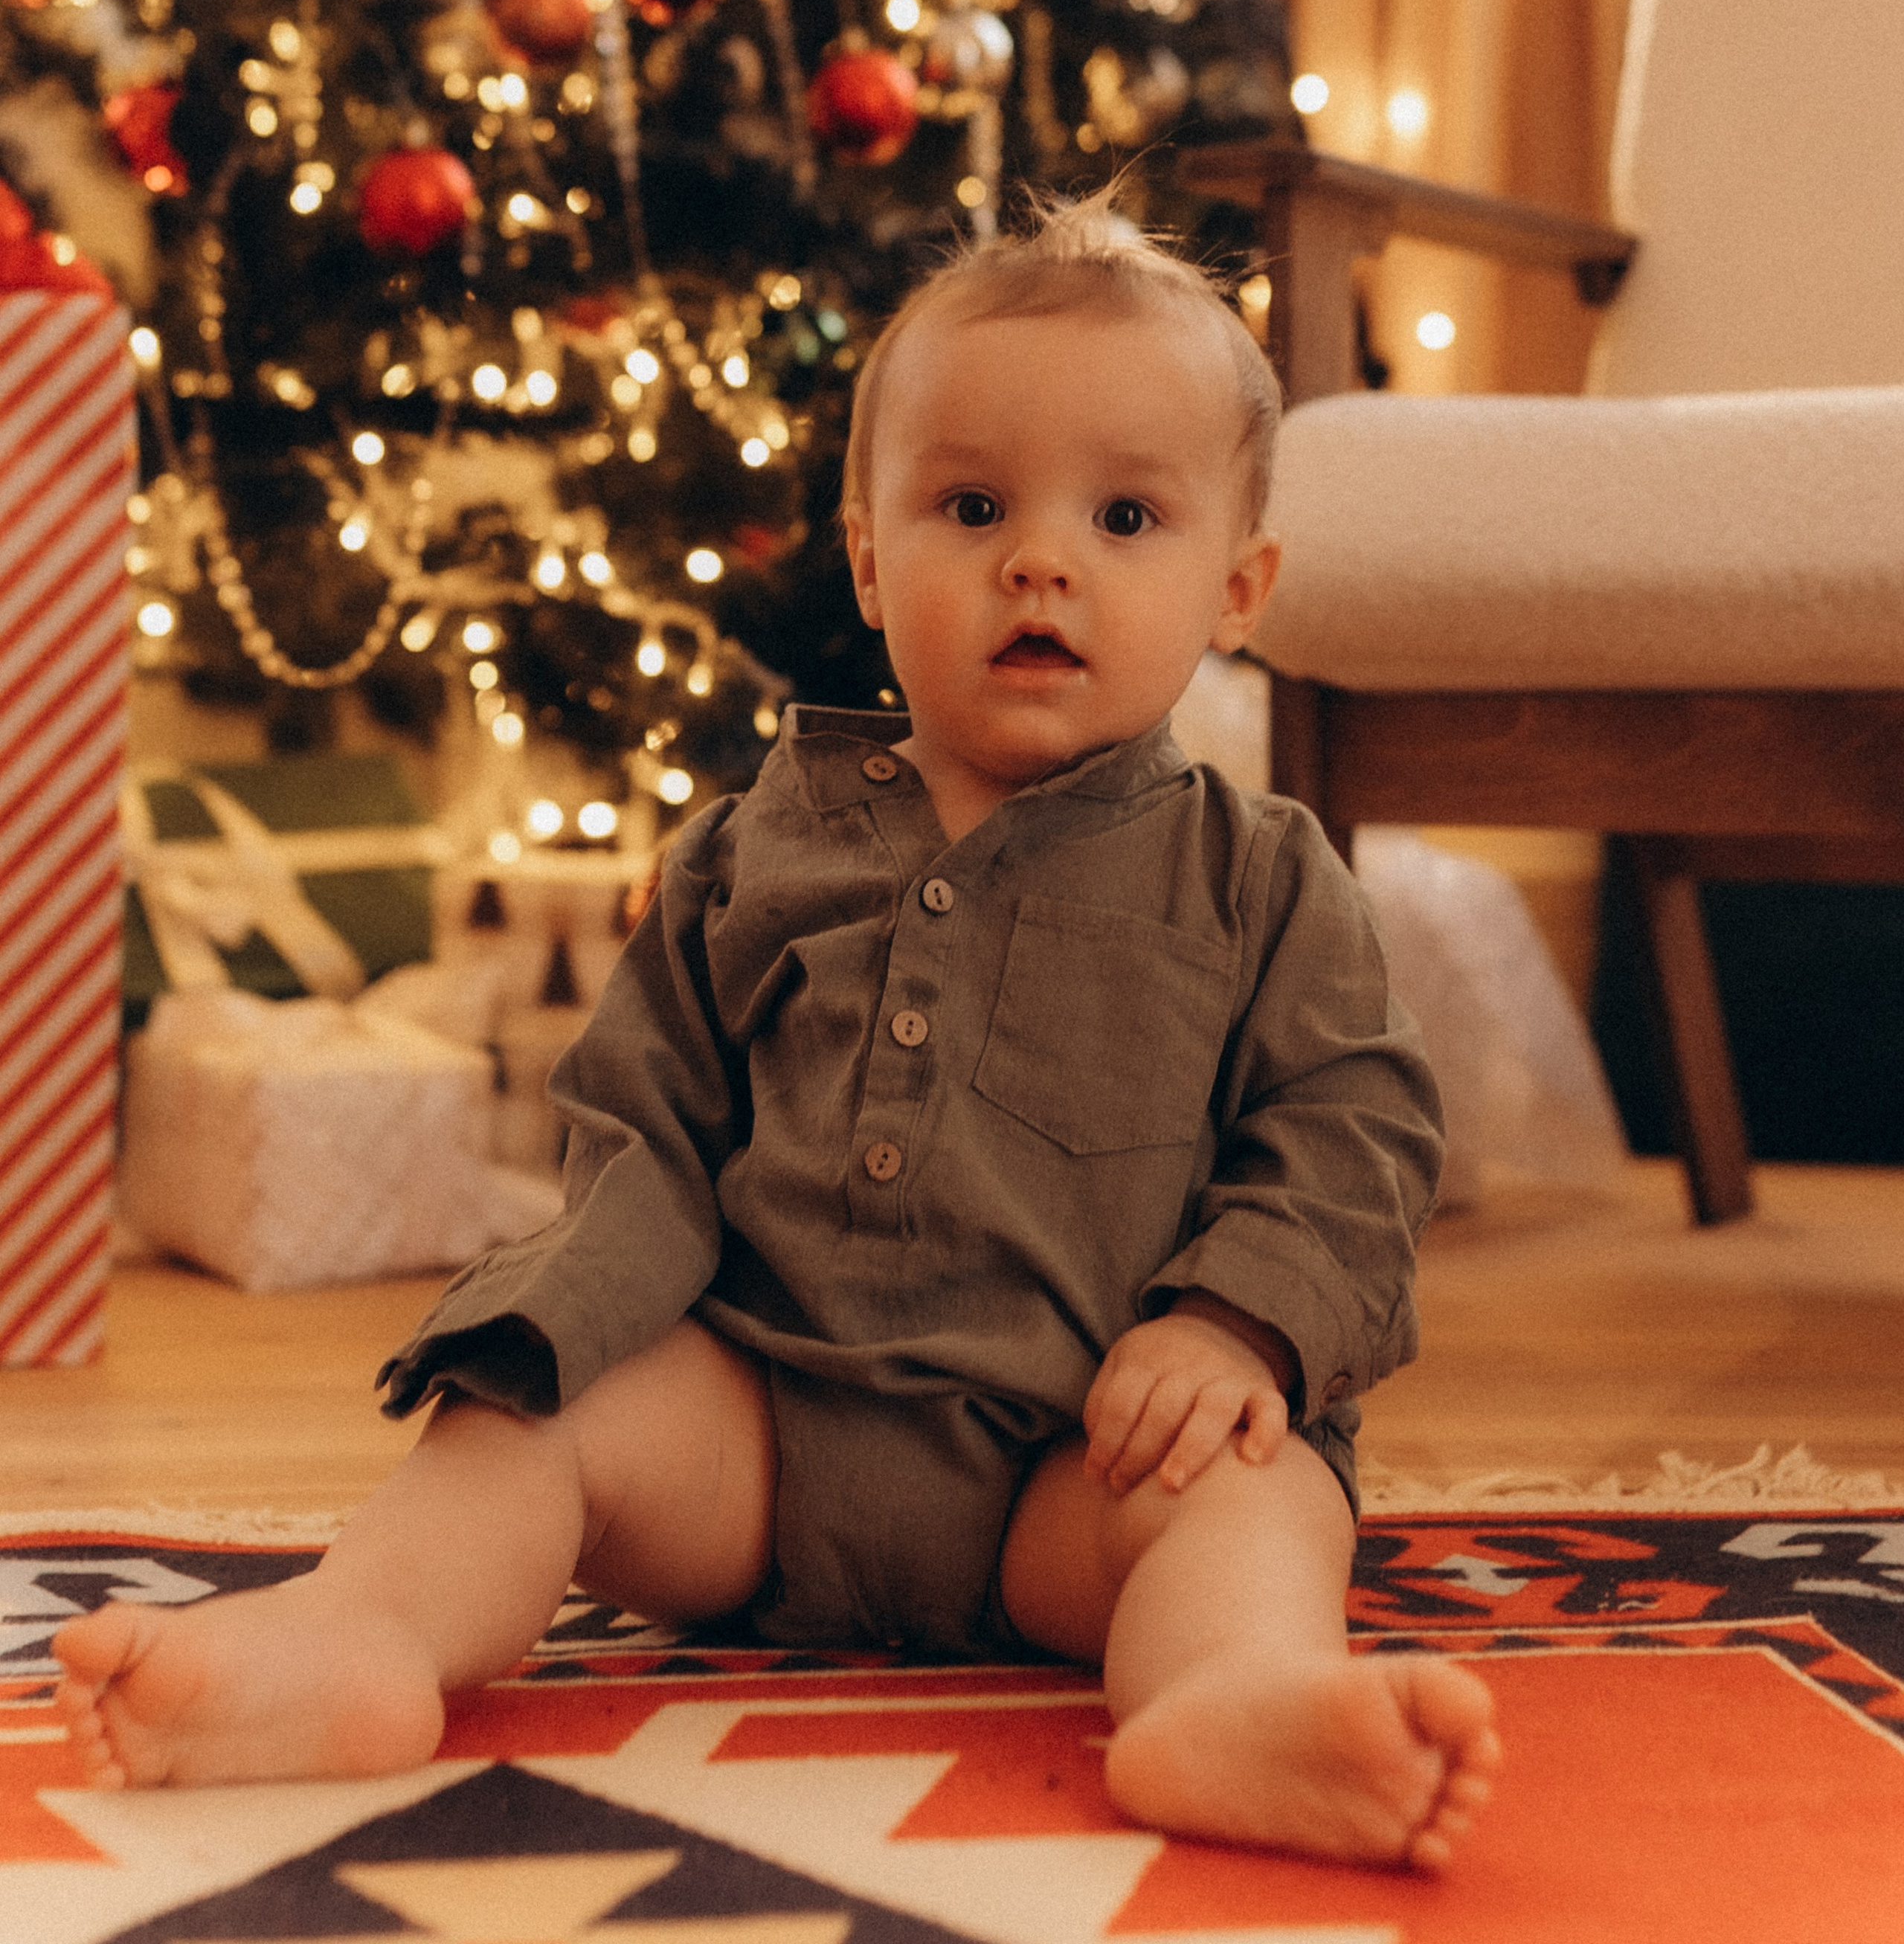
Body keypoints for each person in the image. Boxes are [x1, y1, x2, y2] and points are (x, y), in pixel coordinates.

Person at [57, 194, 1500, 1869]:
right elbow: (639, 1133)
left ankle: (1227, 1700)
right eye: (971, 506)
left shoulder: (1259, 878)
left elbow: (1355, 1133)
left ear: (1234, 587)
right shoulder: (751, 850)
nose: (1039, 559)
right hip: (756, 1447)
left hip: (1071, 1466)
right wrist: (546, 1339)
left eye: (1123, 516)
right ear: (874, 560)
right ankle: (358, 1641)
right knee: (535, 1419)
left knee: (1250, 1490)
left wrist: (1237, 1330)